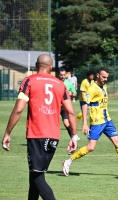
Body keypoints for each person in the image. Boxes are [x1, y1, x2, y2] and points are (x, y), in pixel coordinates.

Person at [2, 54, 78, 200]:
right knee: (35, 175)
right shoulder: (60, 84)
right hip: (53, 137)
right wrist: (74, 136)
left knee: (38, 179)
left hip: (36, 135)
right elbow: (71, 112)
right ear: (51, 67)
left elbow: (18, 109)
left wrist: (7, 133)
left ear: (37, 66)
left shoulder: (29, 80)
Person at [62, 67, 118, 177]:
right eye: (103, 77)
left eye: (107, 77)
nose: (105, 79)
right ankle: (68, 162)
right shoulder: (92, 89)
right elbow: (85, 105)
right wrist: (85, 124)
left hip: (107, 120)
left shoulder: (104, 86)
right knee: (91, 147)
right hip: (97, 122)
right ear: (97, 75)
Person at [58, 68, 79, 140]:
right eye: (61, 75)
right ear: (58, 74)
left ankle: (73, 139)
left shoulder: (69, 83)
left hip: (64, 106)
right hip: (55, 106)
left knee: (66, 123)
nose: (62, 76)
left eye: (64, 75)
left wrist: (71, 94)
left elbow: (75, 93)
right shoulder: (55, 82)